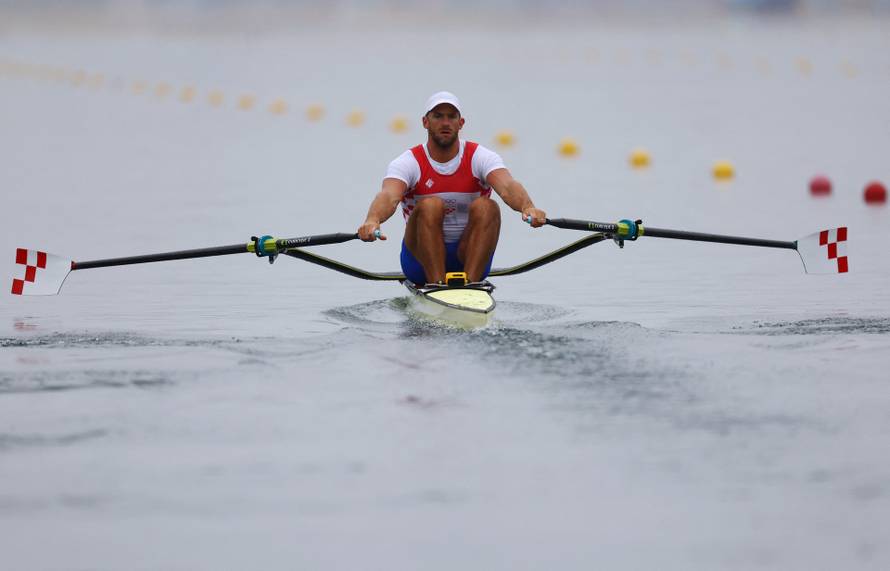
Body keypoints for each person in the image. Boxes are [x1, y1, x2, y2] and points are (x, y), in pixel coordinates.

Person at [357, 91, 546, 286]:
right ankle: (436, 283)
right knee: (431, 205)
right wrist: (373, 220)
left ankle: (471, 284)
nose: (445, 123)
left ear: (461, 123)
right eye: (438, 116)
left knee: (487, 207)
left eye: (452, 117)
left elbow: (507, 186)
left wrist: (528, 207)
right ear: (425, 122)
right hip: (419, 262)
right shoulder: (408, 162)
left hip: (469, 255)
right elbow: (389, 196)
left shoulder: (480, 156)